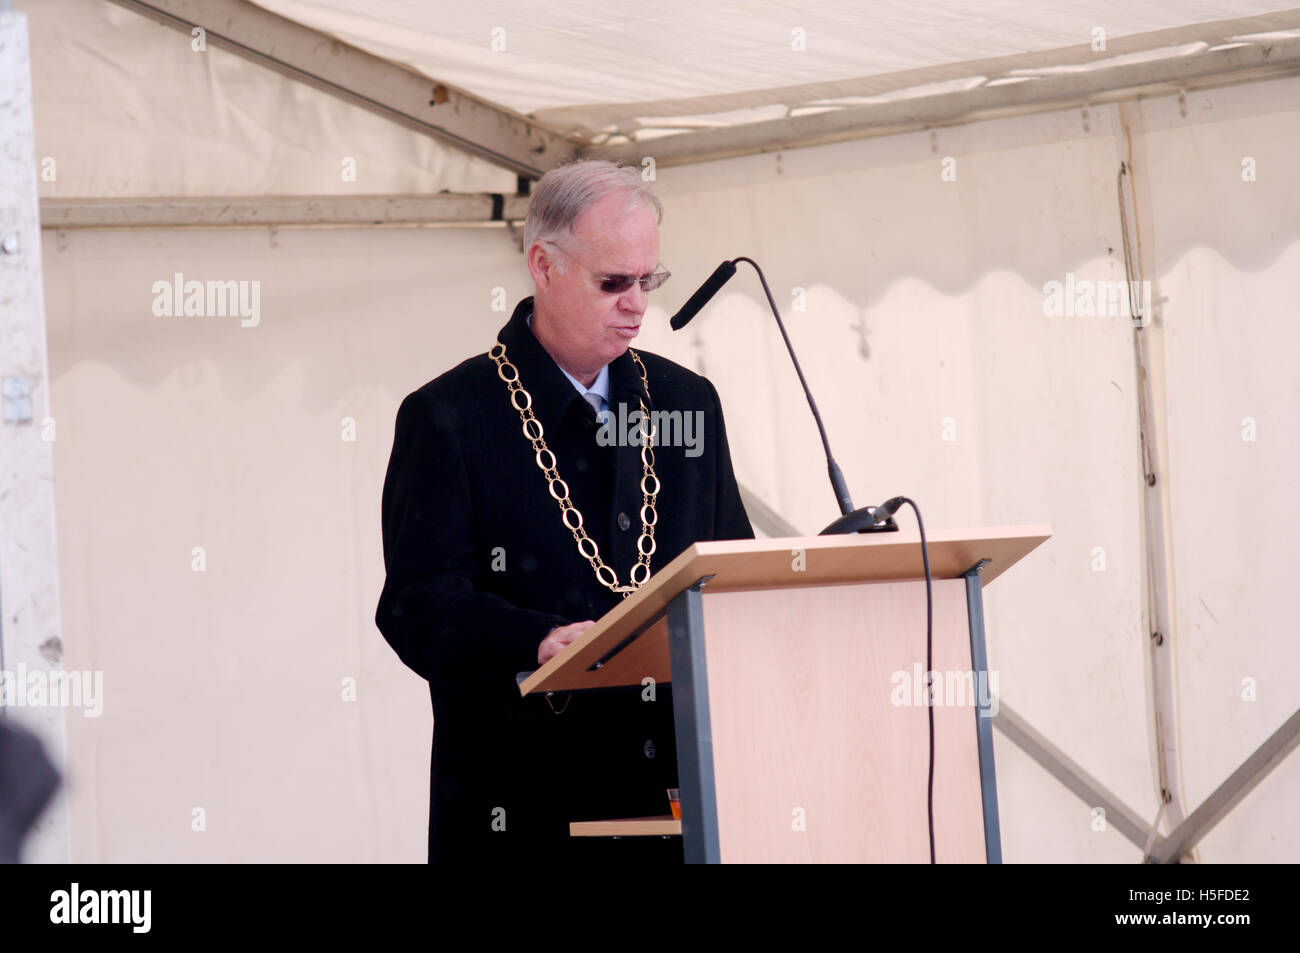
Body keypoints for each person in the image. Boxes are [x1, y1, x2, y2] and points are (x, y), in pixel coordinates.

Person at [375, 159, 753, 863]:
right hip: (522, 812)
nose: (637, 304)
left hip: (674, 804)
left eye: (650, 280)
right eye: (614, 282)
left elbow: (729, 574)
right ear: (543, 266)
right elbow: (416, 605)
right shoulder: (451, 417)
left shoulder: (685, 404)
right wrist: (534, 640)